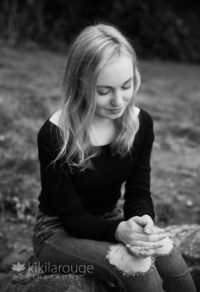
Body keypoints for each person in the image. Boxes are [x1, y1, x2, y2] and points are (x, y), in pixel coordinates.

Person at [32, 23, 196, 292]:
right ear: (80, 84)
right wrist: (120, 232)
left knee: (166, 249)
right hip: (57, 233)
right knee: (136, 266)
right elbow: (73, 218)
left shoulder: (140, 123)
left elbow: (139, 192)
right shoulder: (55, 135)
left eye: (126, 86)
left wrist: (142, 222)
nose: (118, 101)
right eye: (104, 91)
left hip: (110, 217)